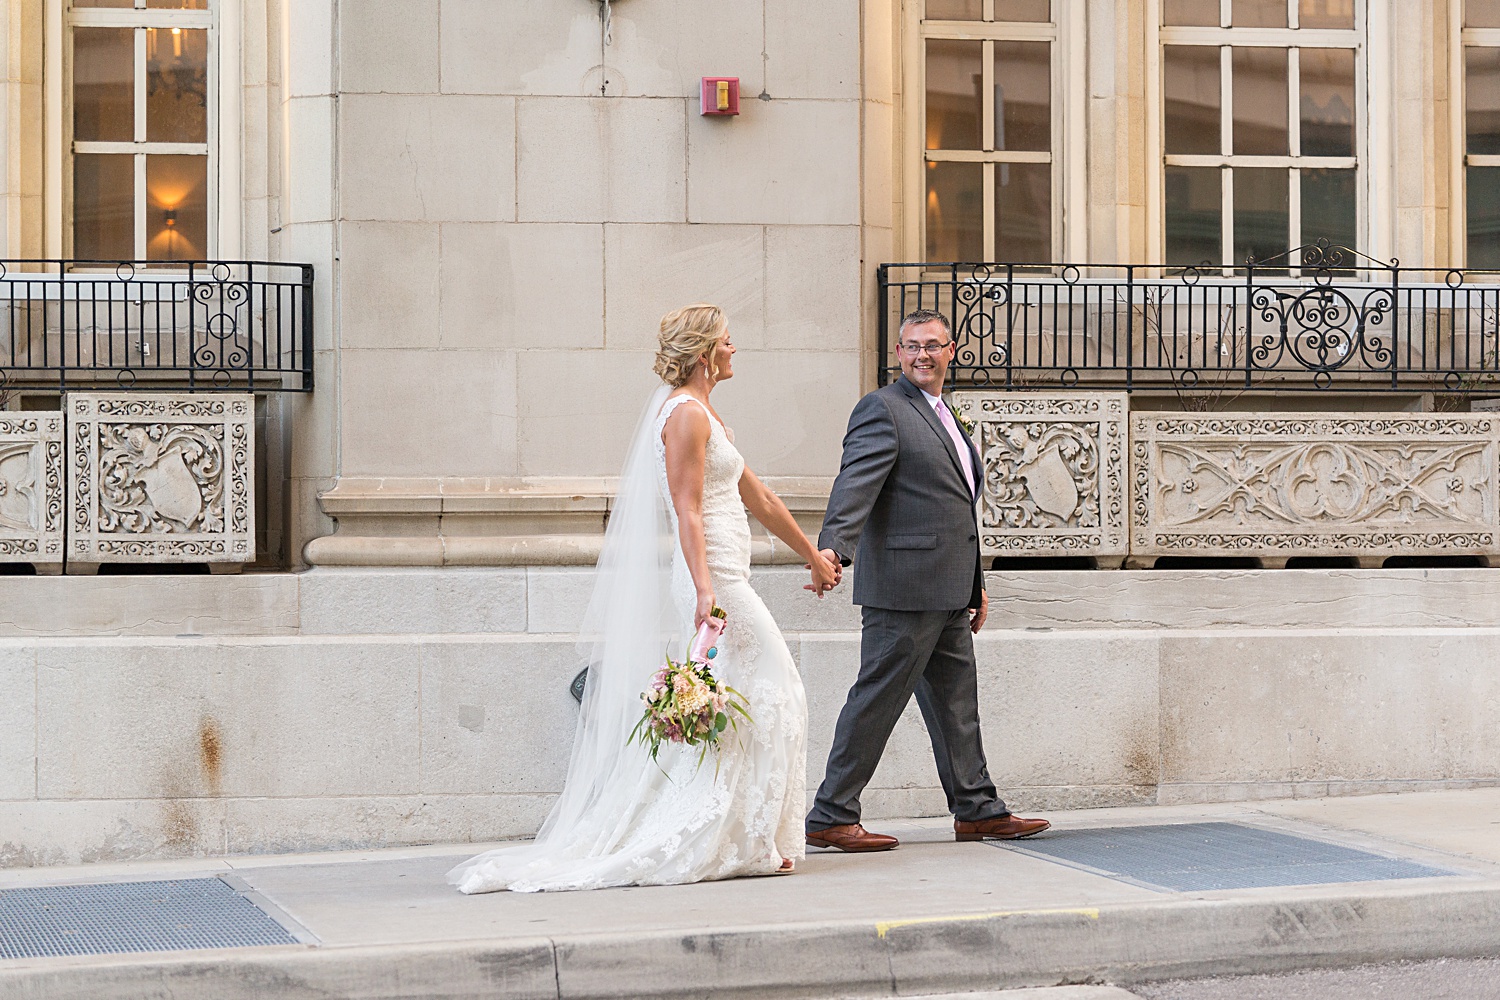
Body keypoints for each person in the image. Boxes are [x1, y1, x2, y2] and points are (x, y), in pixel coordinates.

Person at [449, 304, 841, 893]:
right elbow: (685, 508)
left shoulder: (709, 414)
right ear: (707, 352)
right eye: (728, 342)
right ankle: (731, 833)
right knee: (775, 687)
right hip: (716, 578)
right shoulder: (684, 415)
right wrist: (706, 589)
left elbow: (758, 498)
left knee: (749, 696)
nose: (736, 351)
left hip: (732, 570)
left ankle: (748, 834)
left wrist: (811, 555)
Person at [805, 309, 1049, 853]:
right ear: (898, 353)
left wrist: (974, 584)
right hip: (902, 590)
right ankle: (831, 814)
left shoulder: (944, 414)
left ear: (951, 350)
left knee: (957, 704)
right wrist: (832, 550)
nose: (922, 355)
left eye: (932, 345)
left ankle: (976, 809)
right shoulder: (882, 409)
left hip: (948, 590)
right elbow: (854, 486)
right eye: (912, 346)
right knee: (877, 700)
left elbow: (956, 508)